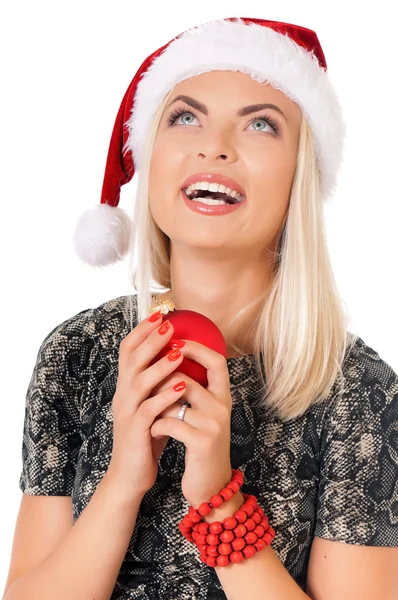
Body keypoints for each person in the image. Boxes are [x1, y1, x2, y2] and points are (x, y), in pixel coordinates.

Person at [3, 16, 398, 600]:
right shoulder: (78, 353)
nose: (215, 146)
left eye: (262, 125)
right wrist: (122, 482)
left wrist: (218, 501)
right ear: (151, 155)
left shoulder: (358, 392)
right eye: (185, 117)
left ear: (300, 177)